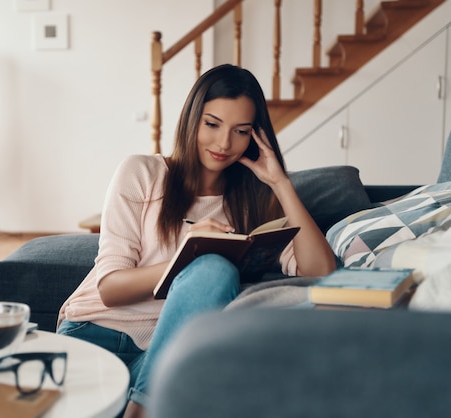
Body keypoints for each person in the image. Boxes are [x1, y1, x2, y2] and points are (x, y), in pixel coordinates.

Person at [57, 64, 336, 417]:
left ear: (256, 135)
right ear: (192, 119)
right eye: (212, 124)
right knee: (210, 265)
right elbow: (111, 289)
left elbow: (322, 270)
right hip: (95, 336)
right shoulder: (142, 173)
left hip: (167, 355)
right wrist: (187, 256)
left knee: (214, 271)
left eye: (241, 131)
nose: (224, 143)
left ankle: (141, 408)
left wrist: (280, 183)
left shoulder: (255, 204)